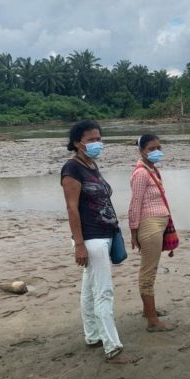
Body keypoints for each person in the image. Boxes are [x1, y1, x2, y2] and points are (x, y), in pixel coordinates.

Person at [60, 120, 135, 363]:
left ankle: (92, 335)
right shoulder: (72, 169)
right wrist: (79, 244)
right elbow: (72, 209)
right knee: (104, 291)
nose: (97, 143)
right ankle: (112, 347)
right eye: (91, 140)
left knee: (89, 290)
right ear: (76, 143)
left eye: (99, 139)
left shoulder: (90, 165)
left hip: (104, 235)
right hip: (91, 239)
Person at [128, 134, 176, 332]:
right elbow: (135, 203)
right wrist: (133, 231)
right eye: (151, 149)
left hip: (156, 225)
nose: (156, 151)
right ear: (142, 151)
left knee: (150, 270)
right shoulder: (141, 173)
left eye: (159, 147)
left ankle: (148, 311)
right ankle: (153, 321)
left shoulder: (152, 170)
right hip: (150, 227)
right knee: (148, 273)